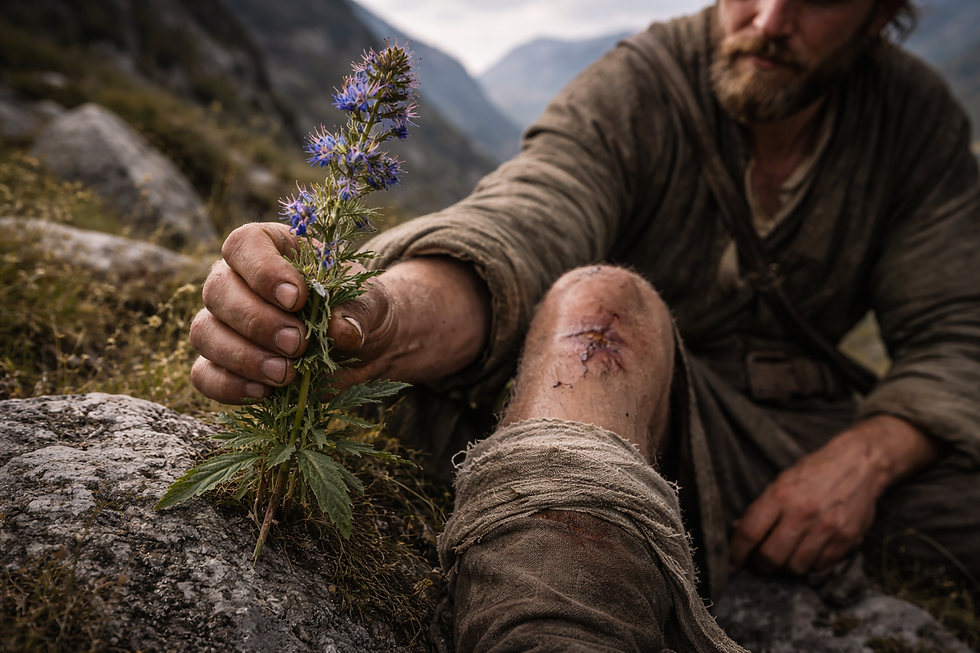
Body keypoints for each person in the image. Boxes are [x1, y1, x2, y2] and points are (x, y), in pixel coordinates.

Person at [189, 0, 980, 648]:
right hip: (626, 415)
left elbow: (957, 328)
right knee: (600, 311)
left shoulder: (913, 121)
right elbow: (531, 214)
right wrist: (378, 316)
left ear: (880, 17)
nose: (770, 19)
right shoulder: (641, 85)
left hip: (802, 436)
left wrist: (868, 459)